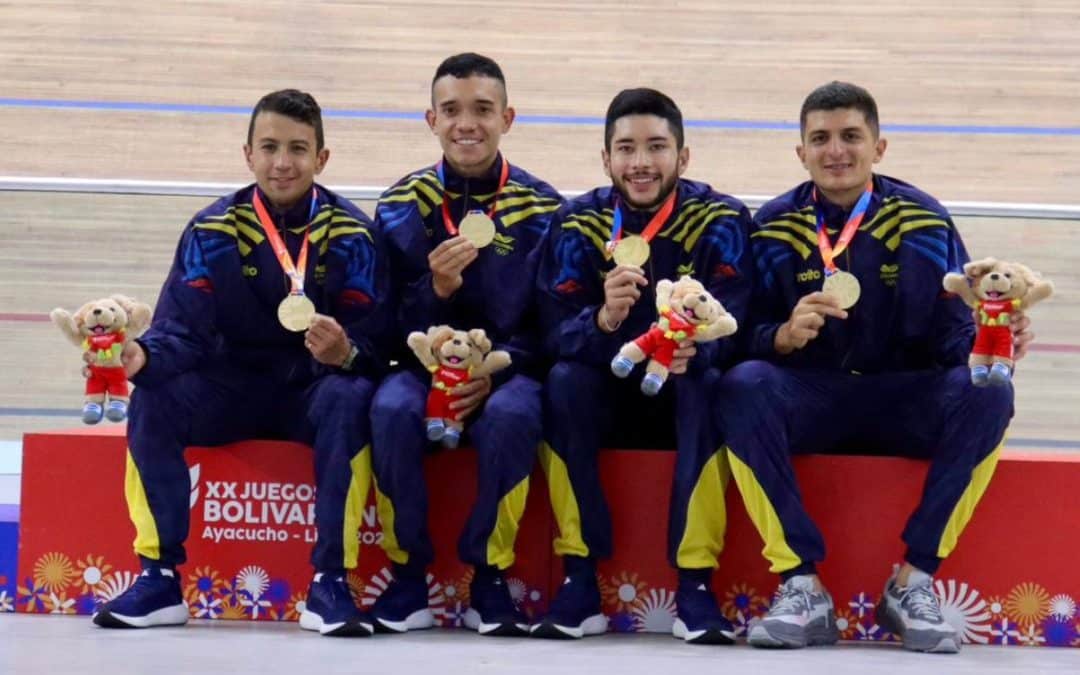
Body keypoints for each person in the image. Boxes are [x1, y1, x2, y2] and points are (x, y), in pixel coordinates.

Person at [718, 81, 1032, 653]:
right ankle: (799, 584)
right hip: (813, 396)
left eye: (850, 137)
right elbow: (737, 333)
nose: (836, 150)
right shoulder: (771, 226)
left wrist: (994, 342)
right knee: (742, 386)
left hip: (904, 398)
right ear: (801, 152)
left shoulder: (923, 219)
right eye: (820, 138)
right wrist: (781, 337)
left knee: (989, 391)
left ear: (879, 147)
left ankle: (914, 582)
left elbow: (954, 333)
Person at [91, 89, 391, 638]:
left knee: (352, 396)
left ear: (322, 159)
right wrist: (142, 355)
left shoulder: (354, 235)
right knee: (154, 394)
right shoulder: (212, 230)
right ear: (247, 154)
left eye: (298, 148)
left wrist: (346, 352)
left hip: (312, 391)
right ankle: (158, 577)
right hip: (226, 391)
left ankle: (330, 583)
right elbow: (182, 330)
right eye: (270, 147)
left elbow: (379, 343)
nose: (283, 162)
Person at [533, 88, 753, 641]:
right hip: (608, 392)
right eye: (626, 148)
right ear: (605, 158)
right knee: (562, 383)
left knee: (711, 383)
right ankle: (580, 578)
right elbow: (552, 333)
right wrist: (603, 321)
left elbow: (740, 323)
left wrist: (697, 349)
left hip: (684, 390)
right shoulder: (578, 222)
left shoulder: (721, 219)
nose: (640, 163)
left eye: (656, 147)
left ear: (683, 156)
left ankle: (696, 585)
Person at [368, 53, 563, 637]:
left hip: (508, 372)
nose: (467, 124)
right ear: (432, 119)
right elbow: (383, 324)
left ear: (508, 116)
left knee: (511, 417)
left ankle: (489, 576)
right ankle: (407, 576)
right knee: (390, 408)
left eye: (482, 110)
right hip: (422, 371)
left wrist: (498, 373)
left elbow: (553, 325)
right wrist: (437, 291)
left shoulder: (546, 209)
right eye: (452, 111)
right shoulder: (400, 204)